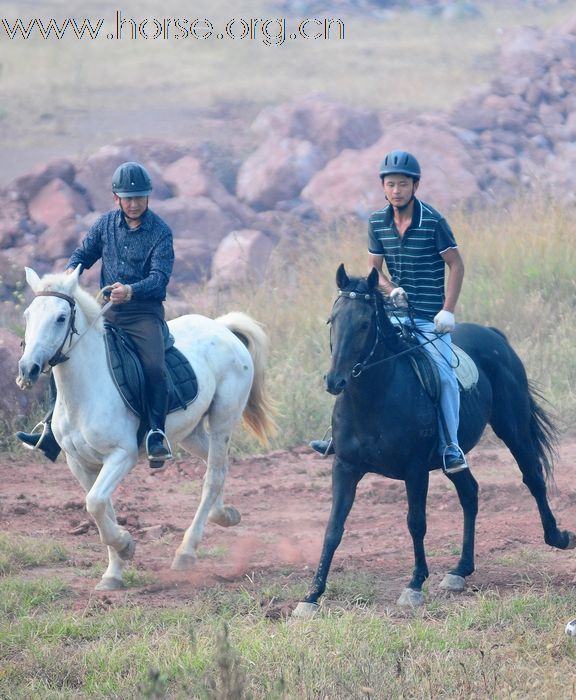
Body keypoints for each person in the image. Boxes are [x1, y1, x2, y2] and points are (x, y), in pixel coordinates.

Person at [310, 149, 468, 474]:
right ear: (384, 187)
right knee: (357, 362)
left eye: (403, 184)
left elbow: (456, 265)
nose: (397, 190)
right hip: (393, 313)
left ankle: (450, 446)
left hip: (429, 318)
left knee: (445, 378)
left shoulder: (434, 222)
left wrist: (447, 311)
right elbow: (373, 268)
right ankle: (337, 436)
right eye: (391, 184)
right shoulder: (377, 223)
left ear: (415, 186)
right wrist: (389, 288)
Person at [16, 161, 175, 468]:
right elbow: (83, 255)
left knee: (154, 366)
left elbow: (159, 278)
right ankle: (50, 428)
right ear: (116, 198)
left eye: (139, 197)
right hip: (107, 312)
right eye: (127, 198)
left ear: (148, 197)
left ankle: (156, 433)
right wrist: (65, 279)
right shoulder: (104, 225)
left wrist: (130, 291)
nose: (133, 203)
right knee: (60, 353)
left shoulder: (161, 232)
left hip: (144, 315)